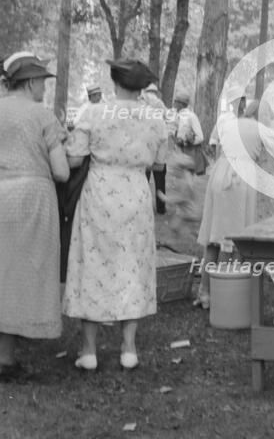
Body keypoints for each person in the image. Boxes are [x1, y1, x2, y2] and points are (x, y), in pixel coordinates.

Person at [62, 59, 168, 371]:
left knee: (93, 260)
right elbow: (160, 165)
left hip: (100, 190)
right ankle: (129, 348)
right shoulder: (155, 117)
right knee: (132, 263)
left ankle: (89, 350)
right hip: (135, 189)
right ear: (141, 86)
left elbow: (76, 157)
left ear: (114, 82)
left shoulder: (93, 113)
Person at [0, 53, 69, 380]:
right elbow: (61, 171)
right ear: (29, 82)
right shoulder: (43, 116)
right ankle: (6, 356)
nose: (44, 85)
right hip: (33, 198)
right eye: (42, 80)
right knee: (26, 272)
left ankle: (6, 352)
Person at [195, 101, 274, 309]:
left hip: (220, 173)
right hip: (241, 178)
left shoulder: (229, 124)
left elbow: (215, 143)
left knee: (213, 237)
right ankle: (229, 293)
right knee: (235, 236)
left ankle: (205, 291)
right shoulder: (261, 129)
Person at [156, 152, 203, 245]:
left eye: (174, 169)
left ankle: (191, 237)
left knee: (184, 228)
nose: (172, 172)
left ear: (181, 170)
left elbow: (180, 197)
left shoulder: (186, 182)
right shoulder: (186, 179)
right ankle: (176, 240)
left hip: (191, 212)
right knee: (174, 226)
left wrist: (165, 198)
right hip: (186, 210)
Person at [142, 83, 169, 214]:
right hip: (159, 146)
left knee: (143, 179)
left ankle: (143, 207)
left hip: (146, 147)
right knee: (160, 181)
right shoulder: (161, 105)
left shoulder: (142, 105)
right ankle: (161, 208)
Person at [172, 90, 206, 175]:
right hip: (177, 151)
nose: (174, 104)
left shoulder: (191, 116)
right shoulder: (175, 116)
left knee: (187, 180)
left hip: (189, 152)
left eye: (175, 101)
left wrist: (188, 141)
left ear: (181, 104)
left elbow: (200, 137)